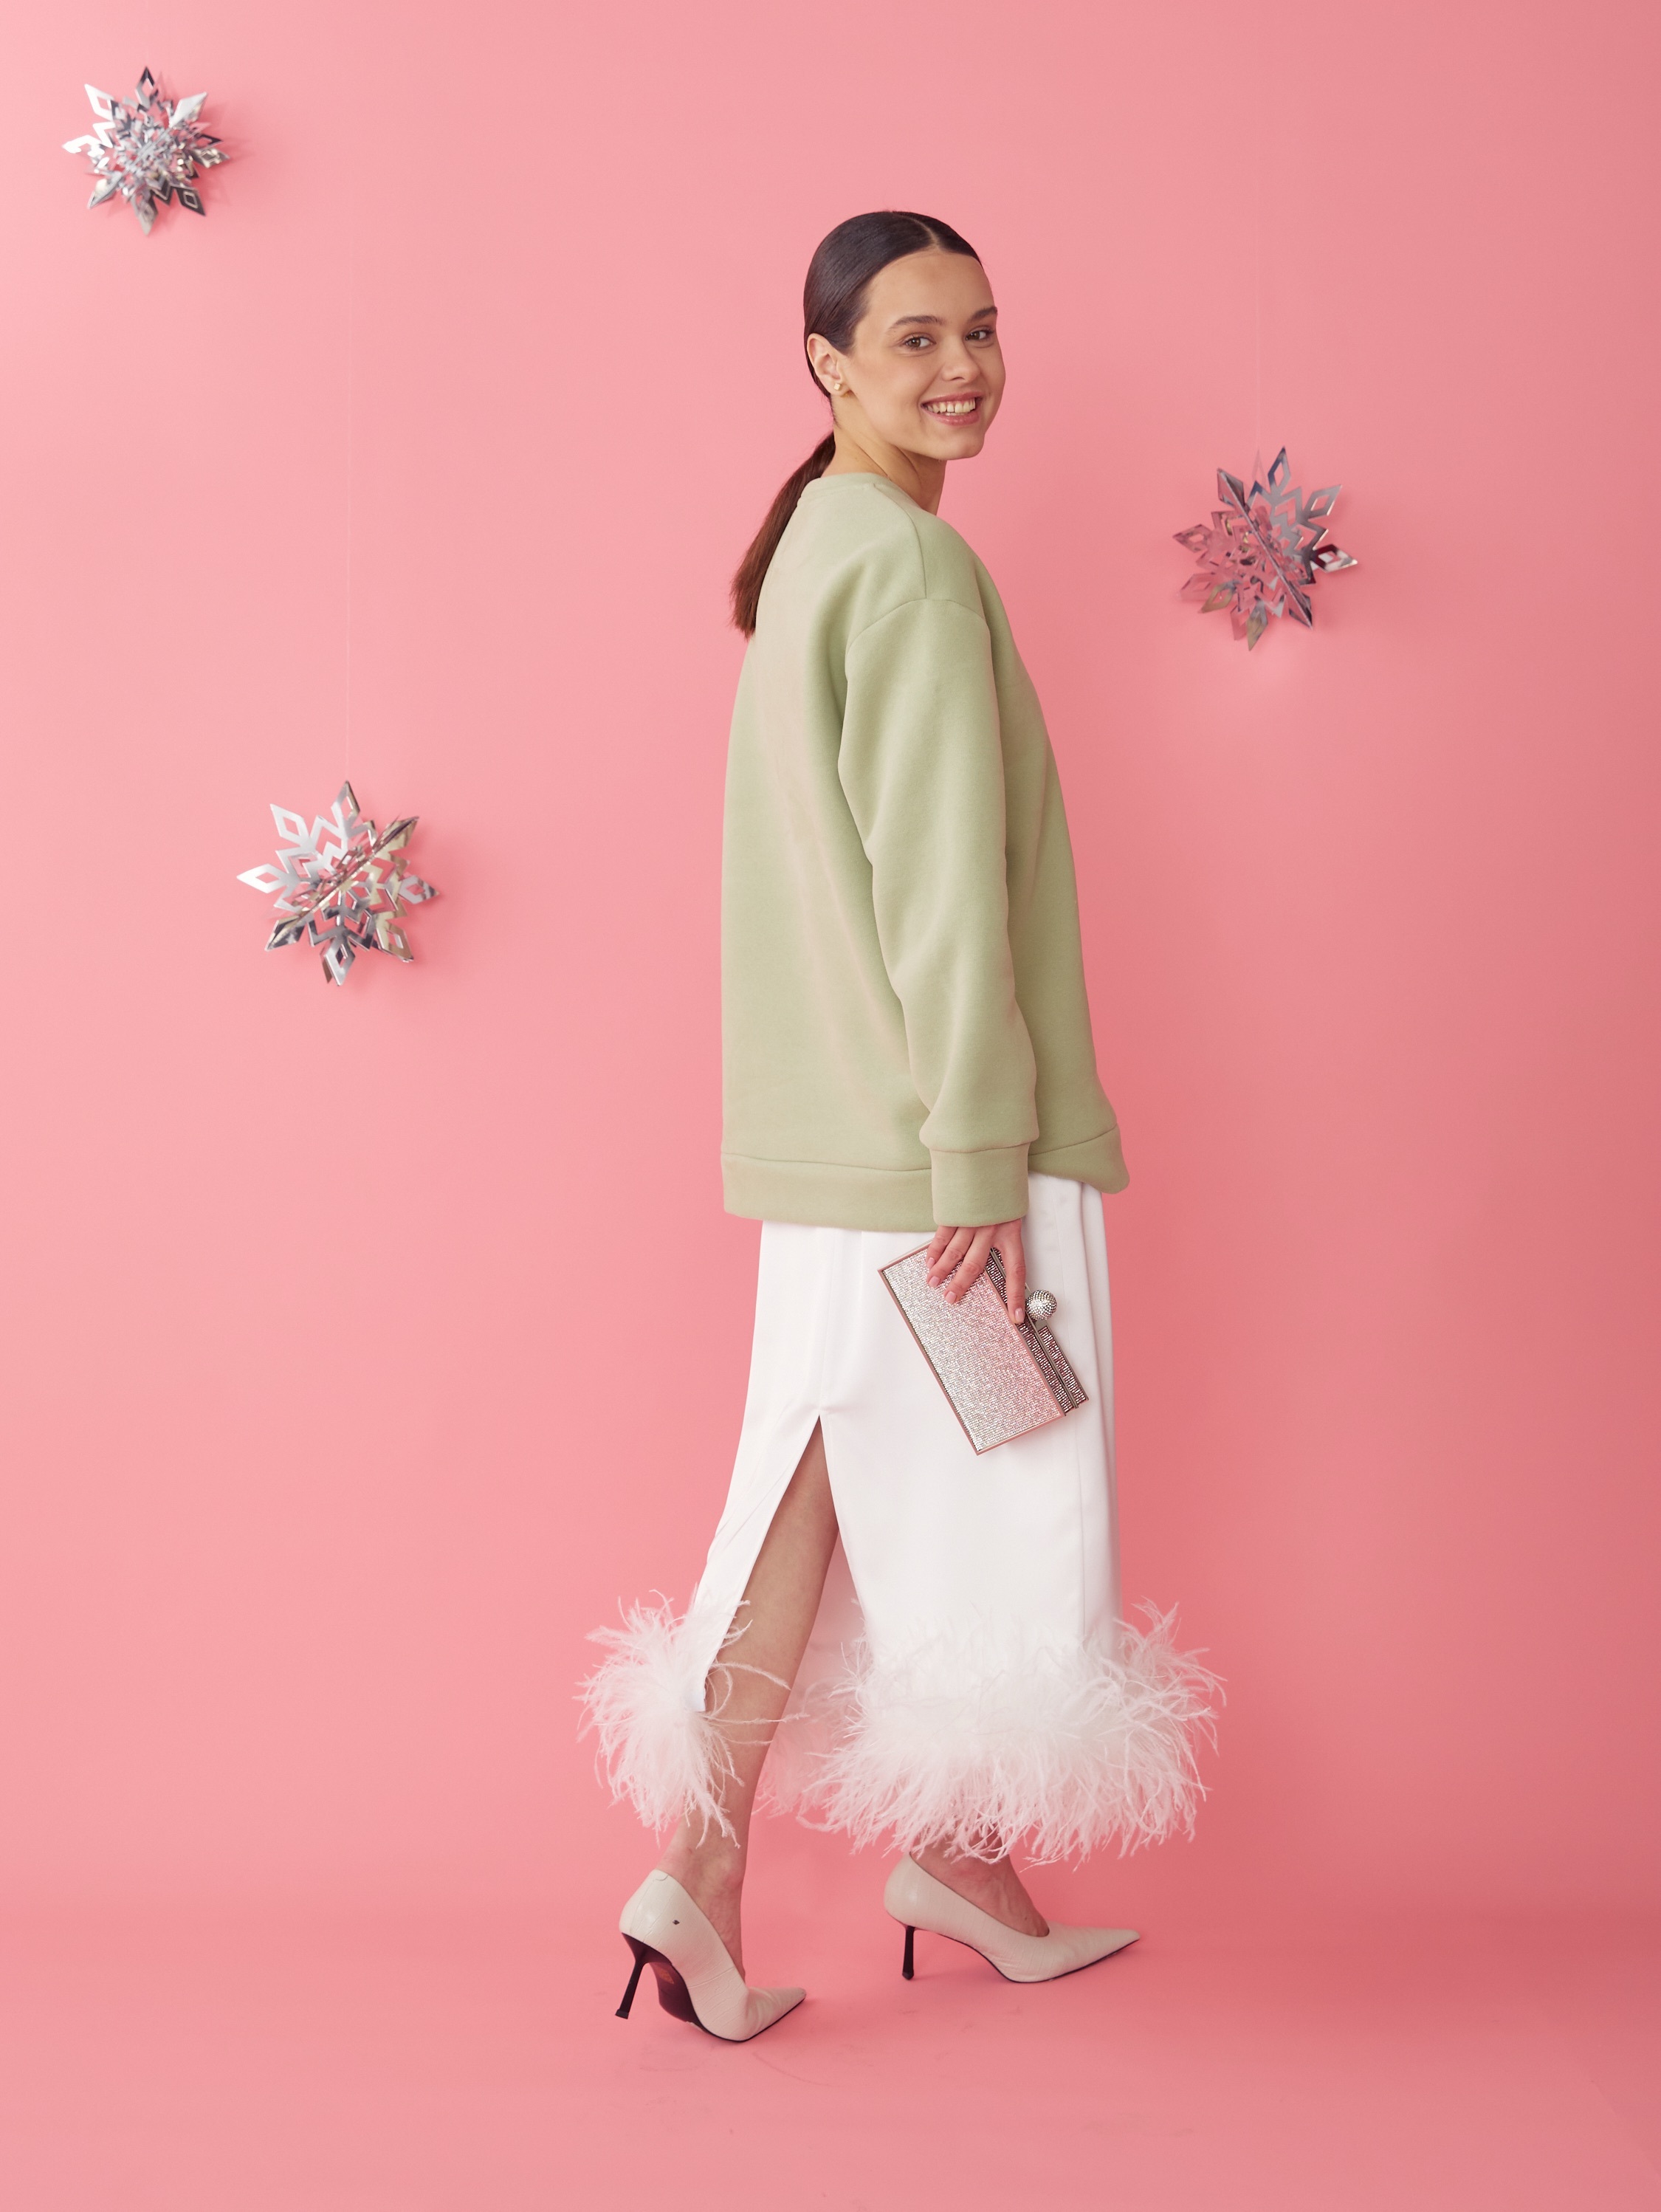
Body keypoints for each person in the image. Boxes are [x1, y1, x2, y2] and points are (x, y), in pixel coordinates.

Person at [584, 210, 1216, 2042]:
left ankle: (868, 1866)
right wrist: (981, 1164)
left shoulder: (822, 546)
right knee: (1005, 1484)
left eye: (983, 330)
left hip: (853, 1142)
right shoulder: (915, 574)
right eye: (917, 337)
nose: (963, 368)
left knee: (823, 1469)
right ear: (829, 366)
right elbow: (938, 894)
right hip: (946, 1148)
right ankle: (738, 1865)